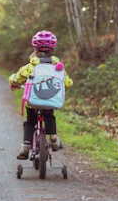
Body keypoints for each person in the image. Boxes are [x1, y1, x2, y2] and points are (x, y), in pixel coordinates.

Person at [9, 30, 73, 160]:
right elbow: (67, 82)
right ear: (53, 49)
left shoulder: (30, 66)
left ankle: (25, 145)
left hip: (32, 102)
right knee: (49, 116)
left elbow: (17, 78)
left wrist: (13, 82)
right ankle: (54, 139)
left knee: (30, 121)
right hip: (49, 102)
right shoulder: (58, 67)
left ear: (35, 48)